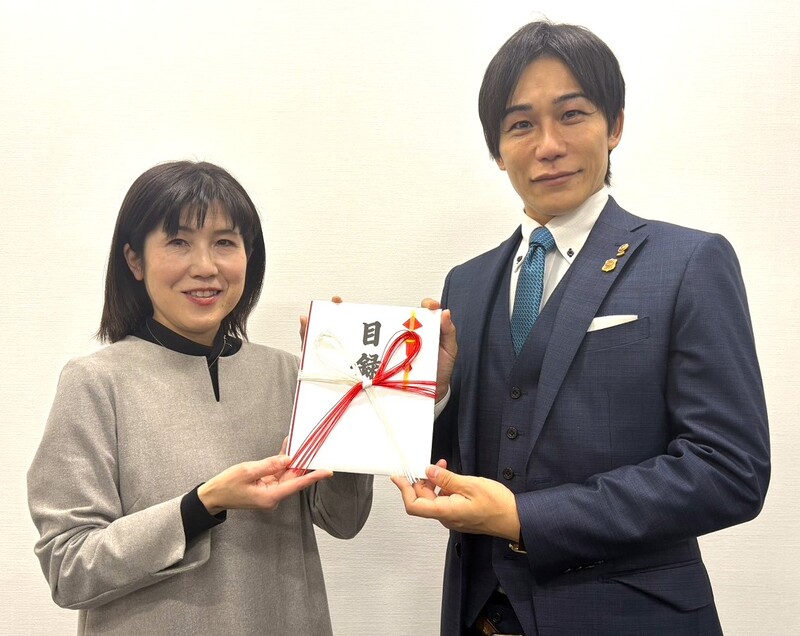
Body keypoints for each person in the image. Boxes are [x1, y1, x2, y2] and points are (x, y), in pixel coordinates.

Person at [392, 20, 770, 635]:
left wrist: (526, 519)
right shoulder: (467, 283)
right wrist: (429, 396)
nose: (548, 145)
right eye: (521, 125)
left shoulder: (689, 262)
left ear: (614, 125)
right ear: (497, 150)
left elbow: (730, 470)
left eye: (572, 115)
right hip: (480, 616)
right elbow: (465, 461)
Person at [27, 160, 373, 635]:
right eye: (178, 242)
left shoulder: (288, 373)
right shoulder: (94, 382)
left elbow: (344, 519)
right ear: (134, 260)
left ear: (249, 255)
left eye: (225, 243)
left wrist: (349, 397)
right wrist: (200, 505)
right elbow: (68, 568)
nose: (206, 267)